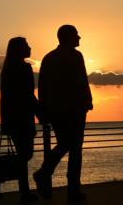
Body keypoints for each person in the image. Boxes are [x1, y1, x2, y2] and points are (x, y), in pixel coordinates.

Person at [33, 25, 93, 201]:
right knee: (74, 149)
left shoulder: (48, 58)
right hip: (74, 109)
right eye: (76, 34)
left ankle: (54, 178)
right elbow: (82, 81)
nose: (79, 37)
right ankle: (65, 186)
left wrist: (43, 111)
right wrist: (87, 101)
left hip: (55, 111)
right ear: (68, 37)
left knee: (65, 144)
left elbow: (42, 88)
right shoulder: (75, 56)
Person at [0, 37, 38, 202]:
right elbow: (29, 95)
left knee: (23, 154)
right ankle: (7, 177)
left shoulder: (7, 69)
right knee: (25, 154)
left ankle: (24, 191)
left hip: (12, 117)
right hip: (23, 117)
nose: (30, 47)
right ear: (19, 49)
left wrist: (5, 121)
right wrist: (41, 113)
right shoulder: (24, 68)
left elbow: (5, 98)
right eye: (26, 45)